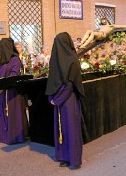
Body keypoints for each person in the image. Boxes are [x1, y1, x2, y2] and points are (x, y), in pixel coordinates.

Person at [46, 32, 84, 169]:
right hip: (58, 98)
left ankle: (73, 158)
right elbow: (52, 81)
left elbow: (70, 84)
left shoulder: (72, 60)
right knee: (61, 129)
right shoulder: (56, 60)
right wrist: (52, 97)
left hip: (68, 100)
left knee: (70, 128)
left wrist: (57, 100)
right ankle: (63, 156)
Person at [0, 38, 29, 144]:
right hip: (0, 92)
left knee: (13, 114)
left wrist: (3, 86)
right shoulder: (0, 61)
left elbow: (14, 75)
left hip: (12, 93)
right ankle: (2, 136)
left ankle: (14, 136)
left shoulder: (15, 59)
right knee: (1, 113)